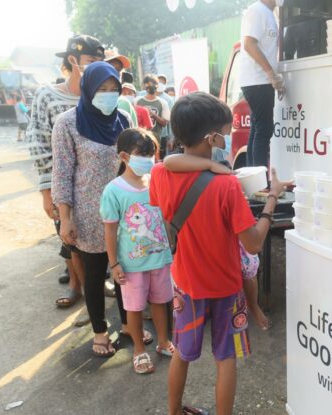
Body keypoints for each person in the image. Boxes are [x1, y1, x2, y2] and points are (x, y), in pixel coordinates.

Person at [149, 92, 290, 415]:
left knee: (183, 353)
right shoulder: (226, 186)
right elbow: (253, 243)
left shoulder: (160, 175)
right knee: (225, 358)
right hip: (226, 287)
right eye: (225, 133)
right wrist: (271, 200)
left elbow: (168, 169)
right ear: (211, 137)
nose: (227, 139)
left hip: (186, 283)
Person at [52, 61, 135, 357]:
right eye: (102, 89)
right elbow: (62, 173)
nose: (109, 95)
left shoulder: (123, 118)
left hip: (124, 212)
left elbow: (133, 163)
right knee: (96, 274)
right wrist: (65, 218)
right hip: (89, 214)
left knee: (126, 271)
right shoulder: (68, 123)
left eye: (114, 89)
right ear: (89, 89)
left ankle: (128, 324)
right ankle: (100, 332)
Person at [27, 34, 105, 310]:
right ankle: (76, 286)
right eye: (90, 61)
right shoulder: (47, 95)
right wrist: (47, 193)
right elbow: (38, 144)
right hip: (62, 183)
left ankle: (94, 287)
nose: (96, 67)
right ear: (72, 60)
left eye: (100, 61)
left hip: (94, 184)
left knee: (93, 239)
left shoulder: (98, 96)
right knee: (69, 237)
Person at [163, 153, 269, 330]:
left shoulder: (174, 183)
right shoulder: (229, 189)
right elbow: (254, 245)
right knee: (226, 345)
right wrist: (271, 200)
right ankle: (253, 306)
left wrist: (208, 164)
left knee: (187, 346)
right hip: (223, 280)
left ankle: (252, 306)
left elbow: (168, 162)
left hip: (191, 277)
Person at [100, 128, 175, 373]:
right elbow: (110, 230)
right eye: (141, 153)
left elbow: (164, 216)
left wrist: (171, 245)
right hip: (131, 264)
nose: (148, 158)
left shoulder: (155, 181)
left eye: (151, 153)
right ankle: (139, 350)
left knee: (161, 302)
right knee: (134, 307)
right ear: (124, 156)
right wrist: (114, 264)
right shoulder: (114, 190)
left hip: (160, 257)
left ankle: (163, 342)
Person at [240, 0, 285, 169]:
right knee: (264, 129)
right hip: (257, 80)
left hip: (258, 80)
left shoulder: (269, 13)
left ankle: (255, 178)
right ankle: (260, 181)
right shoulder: (257, 10)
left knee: (258, 128)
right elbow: (249, 44)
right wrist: (270, 73)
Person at [135, 74, 170, 156]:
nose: (150, 87)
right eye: (148, 85)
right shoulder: (137, 101)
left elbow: (164, 123)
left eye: (153, 84)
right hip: (139, 141)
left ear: (157, 85)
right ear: (144, 86)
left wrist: (153, 115)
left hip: (156, 139)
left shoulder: (162, 103)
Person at [156, 74, 175, 156]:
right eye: (159, 82)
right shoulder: (144, 96)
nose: (160, 84)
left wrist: (171, 137)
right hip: (148, 133)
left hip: (163, 135)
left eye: (163, 83)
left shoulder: (168, 99)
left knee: (161, 158)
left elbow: (171, 120)